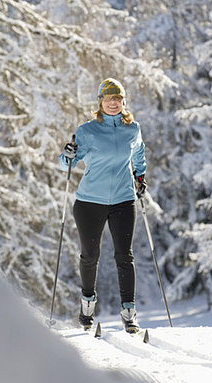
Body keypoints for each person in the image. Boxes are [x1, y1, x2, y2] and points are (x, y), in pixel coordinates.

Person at [58, 78, 148, 333]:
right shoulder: (88, 130)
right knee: (90, 255)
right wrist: (68, 155)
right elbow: (66, 165)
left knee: (124, 256)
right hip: (89, 202)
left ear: (123, 102)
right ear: (100, 102)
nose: (113, 103)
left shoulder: (133, 129)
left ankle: (129, 313)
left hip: (123, 199)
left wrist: (140, 176)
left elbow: (139, 154)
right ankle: (87, 306)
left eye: (117, 99)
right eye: (108, 99)